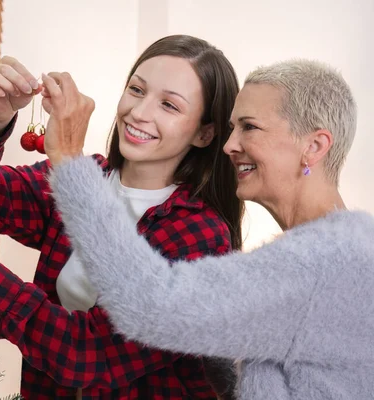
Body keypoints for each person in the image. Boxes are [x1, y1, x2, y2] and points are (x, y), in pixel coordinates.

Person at [0, 35, 244, 399]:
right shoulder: (89, 177)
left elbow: (89, 354)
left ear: (205, 133)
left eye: (169, 105)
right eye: (136, 89)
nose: (140, 112)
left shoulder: (200, 235)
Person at [44, 59, 374, 400]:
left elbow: (150, 304)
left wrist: (69, 160)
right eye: (232, 128)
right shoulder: (350, 248)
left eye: (250, 127)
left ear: (314, 146)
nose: (230, 145)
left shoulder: (320, 263)